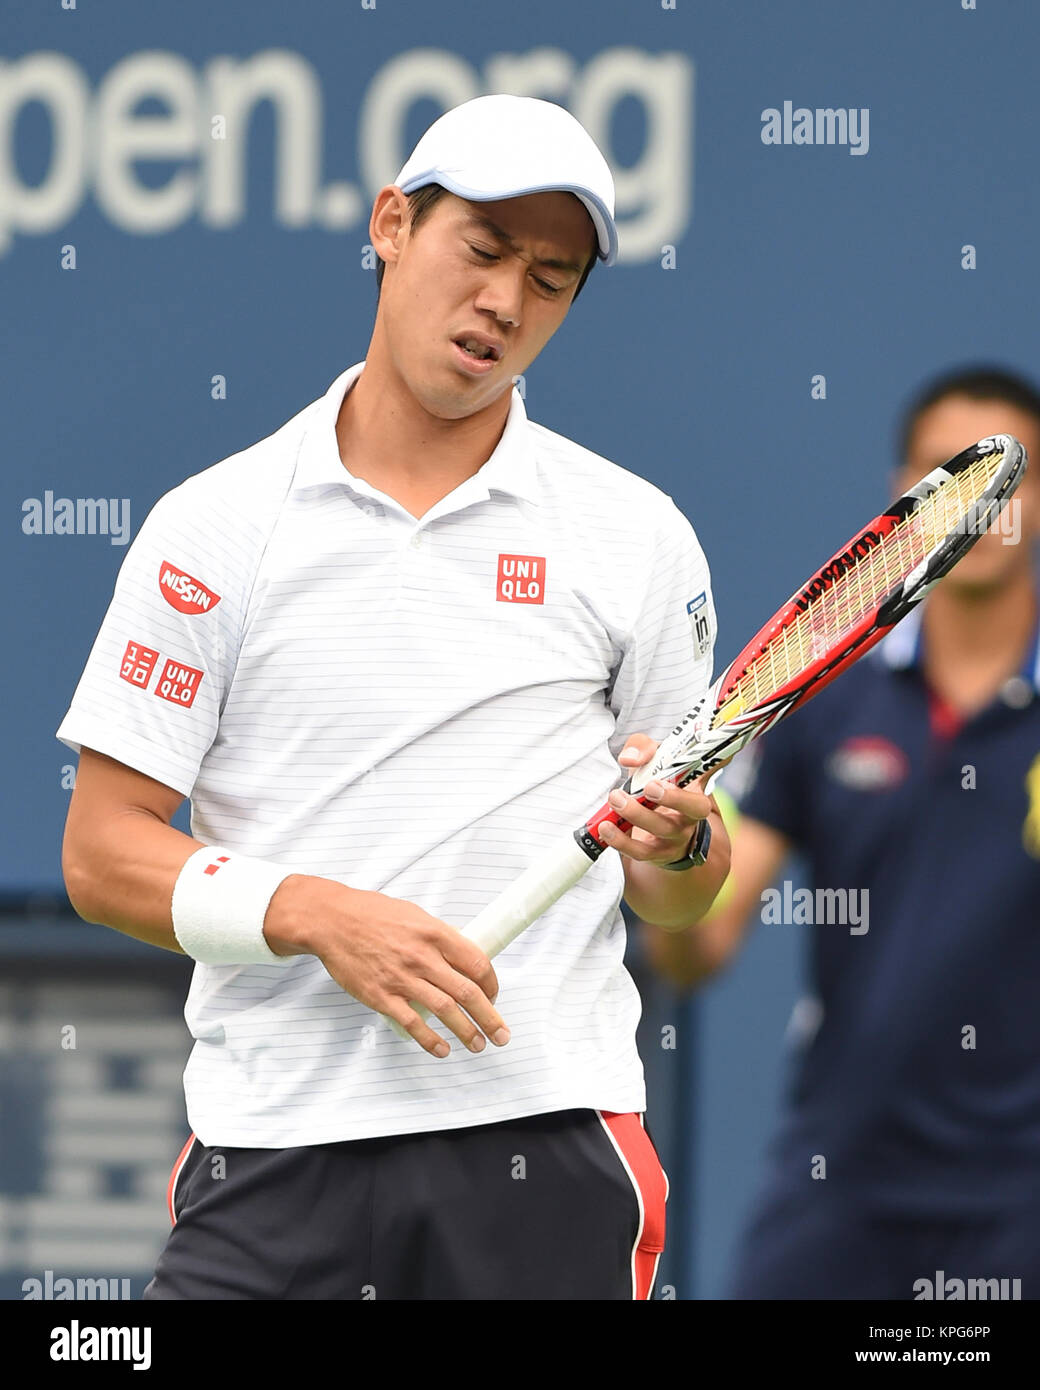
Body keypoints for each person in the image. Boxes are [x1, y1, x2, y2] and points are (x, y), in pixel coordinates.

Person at [57, 94, 730, 1301]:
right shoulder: (211, 527)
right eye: (479, 250)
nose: (505, 303)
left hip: (544, 1146)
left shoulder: (638, 537)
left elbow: (679, 901)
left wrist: (679, 848)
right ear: (388, 226)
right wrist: (316, 913)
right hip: (268, 1156)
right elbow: (102, 858)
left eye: (550, 278)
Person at [643, 365, 1040, 1300]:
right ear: (906, 499)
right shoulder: (827, 704)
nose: (980, 506)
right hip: (842, 1180)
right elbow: (701, 947)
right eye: (947, 475)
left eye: (1009, 479)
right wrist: (672, 860)